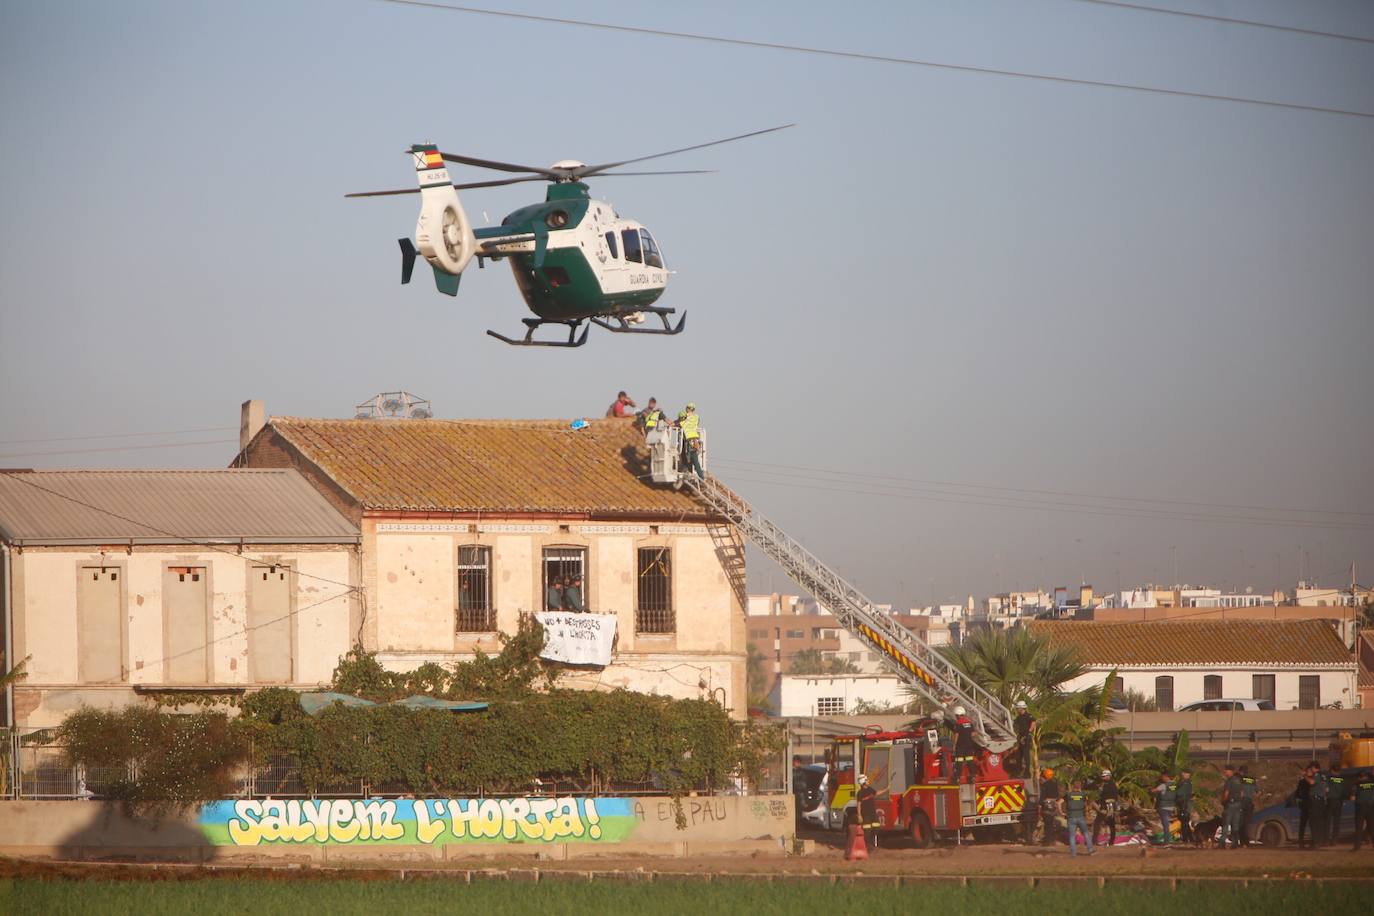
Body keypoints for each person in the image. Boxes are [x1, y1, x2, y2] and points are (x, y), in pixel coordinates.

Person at [1062, 780, 1094, 856]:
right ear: (1080, 787)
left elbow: (1059, 802)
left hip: (1071, 817)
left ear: (1073, 786)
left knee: (1072, 835)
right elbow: (1088, 802)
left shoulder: (1068, 794)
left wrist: (1062, 812)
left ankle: (1073, 853)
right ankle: (1090, 850)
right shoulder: (1083, 794)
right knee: (1086, 833)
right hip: (1080, 816)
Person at [950, 705, 978, 785]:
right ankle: (972, 776)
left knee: (959, 762)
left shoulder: (958, 723)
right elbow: (973, 734)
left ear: (958, 715)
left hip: (960, 746)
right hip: (969, 746)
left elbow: (956, 735)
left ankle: (957, 778)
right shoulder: (969, 723)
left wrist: (954, 745)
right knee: (970, 761)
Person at [1093, 768, 1120, 848]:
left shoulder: (1111, 785)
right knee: (1100, 823)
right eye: (1102, 776)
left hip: (1108, 807)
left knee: (1107, 824)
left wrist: (1109, 806)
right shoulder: (1105, 785)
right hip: (1105, 807)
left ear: (1109, 776)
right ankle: (1097, 840)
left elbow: (1114, 797)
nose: (1103, 777)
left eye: (1104, 776)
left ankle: (1109, 841)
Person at [1220, 764, 1244, 849]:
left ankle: (1222, 843)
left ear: (1230, 771)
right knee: (1235, 825)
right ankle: (1235, 843)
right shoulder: (1238, 780)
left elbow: (1226, 793)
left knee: (1226, 823)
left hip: (1230, 804)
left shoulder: (1229, 781)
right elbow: (1242, 794)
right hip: (1238, 804)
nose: (1225, 772)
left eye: (1226, 770)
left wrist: (1223, 801)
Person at [1325, 766, 1350, 846]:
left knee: (1328, 822)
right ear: (1339, 771)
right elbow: (1345, 792)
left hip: (1330, 801)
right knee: (1336, 822)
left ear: (1332, 770)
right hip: (1339, 802)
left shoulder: (1329, 778)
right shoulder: (1343, 779)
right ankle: (1334, 840)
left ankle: (1326, 840)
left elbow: (1326, 789)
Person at [1151, 771, 1177, 845]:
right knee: (1166, 824)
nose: (1161, 778)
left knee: (1165, 825)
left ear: (1166, 777)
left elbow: (1154, 791)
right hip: (1171, 807)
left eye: (1162, 777)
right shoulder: (1174, 785)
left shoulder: (1163, 785)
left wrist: (1150, 790)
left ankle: (1166, 841)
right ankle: (1167, 840)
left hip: (1163, 807)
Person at [680, 402, 704, 478]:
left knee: (690, 458)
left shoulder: (684, 417)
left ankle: (700, 477)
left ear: (688, 408)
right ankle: (699, 475)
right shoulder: (696, 417)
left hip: (689, 440)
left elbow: (677, 423)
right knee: (693, 459)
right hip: (695, 439)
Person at [1012, 700, 1036, 777]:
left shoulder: (1029, 716)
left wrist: (1028, 732)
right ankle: (1019, 771)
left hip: (1026, 737)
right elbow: (1014, 723)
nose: (1017, 710)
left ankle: (1027, 772)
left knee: (1026, 756)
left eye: (1018, 708)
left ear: (1022, 708)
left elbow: (1033, 723)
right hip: (1020, 736)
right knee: (1019, 755)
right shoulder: (1019, 717)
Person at [856, 773, 880, 850]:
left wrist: (886, 789)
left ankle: (873, 843)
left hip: (873, 813)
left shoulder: (870, 789)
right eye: (867, 780)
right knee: (867, 831)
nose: (868, 781)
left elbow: (876, 793)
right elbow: (859, 804)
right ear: (863, 781)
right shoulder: (860, 793)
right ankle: (868, 846)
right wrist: (859, 815)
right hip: (865, 814)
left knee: (876, 828)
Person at [1039, 768, 1062, 846]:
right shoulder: (1054, 784)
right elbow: (1057, 796)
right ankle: (1052, 840)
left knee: (1047, 824)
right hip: (1053, 806)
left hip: (1046, 806)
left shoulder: (1044, 785)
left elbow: (1042, 797)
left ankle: (1047, 841)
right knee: (1051, 823)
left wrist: (1040, 803)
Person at [1354, 769, 1374, 851]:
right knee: (1372, 827)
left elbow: (1352, 797)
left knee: (1359, 827)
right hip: (1370, 807)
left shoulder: (1357, 784)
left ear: (1359, 777)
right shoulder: (1372, 783)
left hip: (1360, 807)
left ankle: (1357, 847)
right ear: (1366, 776)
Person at [1238, 764, 1258, 846]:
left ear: (1241, 771)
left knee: (1240, 823)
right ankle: (1248, 841)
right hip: (1250, 802)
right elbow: (1257, 792)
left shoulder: (1240, 779)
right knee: (1247, 823)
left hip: (1242, 802)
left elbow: (1240, 792)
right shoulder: (1252, 779)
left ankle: (1242, 841)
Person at [1177, 767, 1195, 844]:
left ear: (1188, 775)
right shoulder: (1183, 782)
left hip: (1185, 804)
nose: (1183, 774)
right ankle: (1190, 838)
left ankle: (1185, 838)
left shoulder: (1185, 783)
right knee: (1185, 822)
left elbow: (1179, 793)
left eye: (1184, 773)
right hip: (1184, 804)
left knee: (1184, 822)